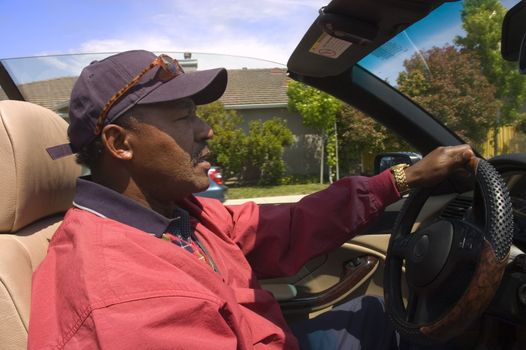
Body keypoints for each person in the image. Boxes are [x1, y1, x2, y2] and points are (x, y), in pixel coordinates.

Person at [29, 49, 475, 350]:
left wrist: (402, 178)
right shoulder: (127, 302)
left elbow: (286, 225)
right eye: (185, 116)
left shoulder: (174, 213)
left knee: (376, 312)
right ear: (119, 143)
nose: (206, 130)